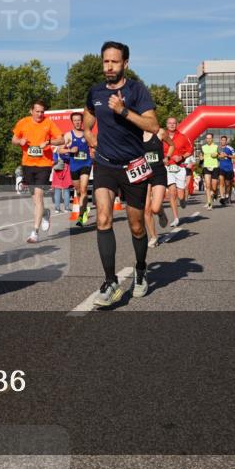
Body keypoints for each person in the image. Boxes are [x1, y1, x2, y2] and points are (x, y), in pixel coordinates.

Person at [82, 41, 161, 307]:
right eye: (106, 61)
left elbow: (152, 124)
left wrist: (123, 111)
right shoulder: (95, 91)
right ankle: (110, 282)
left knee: (137, 226)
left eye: (114, 62)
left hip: (133, 166)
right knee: (103, 219)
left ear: (125, 63)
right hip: (105, 164)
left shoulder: (136, 90)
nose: (109, 66)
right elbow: (88, 116)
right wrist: (88, 133)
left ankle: (140, 270)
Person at [12, 100, 65, 243]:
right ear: (31, 111)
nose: (40, 114)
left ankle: (34, 232)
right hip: (27, 165)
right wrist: (20, 141)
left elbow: (61, 140)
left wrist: (48, 142)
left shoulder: (48, 123)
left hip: (44, 165)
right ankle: (45, 213)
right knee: (35, 200)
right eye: (37, 111)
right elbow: (14, 139)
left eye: (42, 111)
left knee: (39, 196)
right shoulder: (23, 122)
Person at [143, 128, 174, 247]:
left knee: (154, 208)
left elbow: (171, 145)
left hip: (158, 172)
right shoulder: (135, 134)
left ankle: (160, 212)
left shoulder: (160, 132)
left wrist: (168, 157)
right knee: (146, 208)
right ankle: (154, 237)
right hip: (144, 174)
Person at [62, 112, 94, 226]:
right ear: (72, 122)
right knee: (79, 191)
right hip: (74, 166)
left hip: (86, 163)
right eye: (75, 120)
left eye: (79, 120)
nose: (77, 122)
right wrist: (70, 150)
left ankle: (81, 217)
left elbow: (94, 145)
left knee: (84, 188)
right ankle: (84, 208)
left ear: (82, 121)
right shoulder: (68, 135)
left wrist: (94, 151)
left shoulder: (86, 134)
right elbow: (60, 150)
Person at [163, 117, 192, 228]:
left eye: (174, 123)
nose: (172, 125)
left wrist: (182, 156)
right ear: (166, 124)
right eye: (169, 123)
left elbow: (190, 150)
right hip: (168, 167)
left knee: (180, 195)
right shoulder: (162, 137)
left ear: (177, 124)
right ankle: (176, 218)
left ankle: (183, 198)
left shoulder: (183, 137)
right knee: (172, 192)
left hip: (180, 167)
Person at [200, 133, 219, 210]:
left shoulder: (216, 146)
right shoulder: (203, 147)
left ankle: (215, 192)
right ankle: (209, 203)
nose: (208, 140)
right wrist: (201, 157)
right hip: (206, 167)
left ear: (212, 139)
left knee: (214, 187)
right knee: (208, 185)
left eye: (210, 138)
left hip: (215, 167)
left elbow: (221, 155)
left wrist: (217, 154)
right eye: (207, 138)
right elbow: (201, 155)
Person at [217, 135, 235, 205]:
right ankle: (222, 197)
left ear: (226, 141)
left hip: (229, 168)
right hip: (221, 168)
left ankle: (228, 196)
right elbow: (216, 157)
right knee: (221, 182)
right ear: (220, 141)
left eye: (224, 140)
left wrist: (227, 155)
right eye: (222, 140)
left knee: (228, 184)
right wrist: (218, 156)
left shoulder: (230, 148)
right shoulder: (218, 148)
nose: (223, 141)